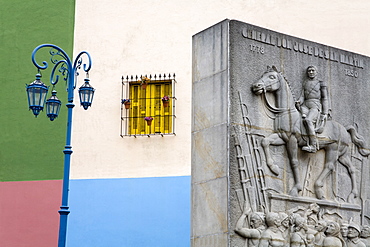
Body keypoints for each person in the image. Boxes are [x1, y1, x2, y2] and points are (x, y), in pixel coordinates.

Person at [296, 65, 330, 153]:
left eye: (312, 70)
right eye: (309, 71)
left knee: (308, 120)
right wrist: (299, 101)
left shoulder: (321, 83)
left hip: (315, 106)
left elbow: (324, 98)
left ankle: (313, 145)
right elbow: (303, 96)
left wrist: (325, 113)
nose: (311, 72)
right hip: (305, 105)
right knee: (297, 120)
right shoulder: (305, 82)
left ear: (316, 72)